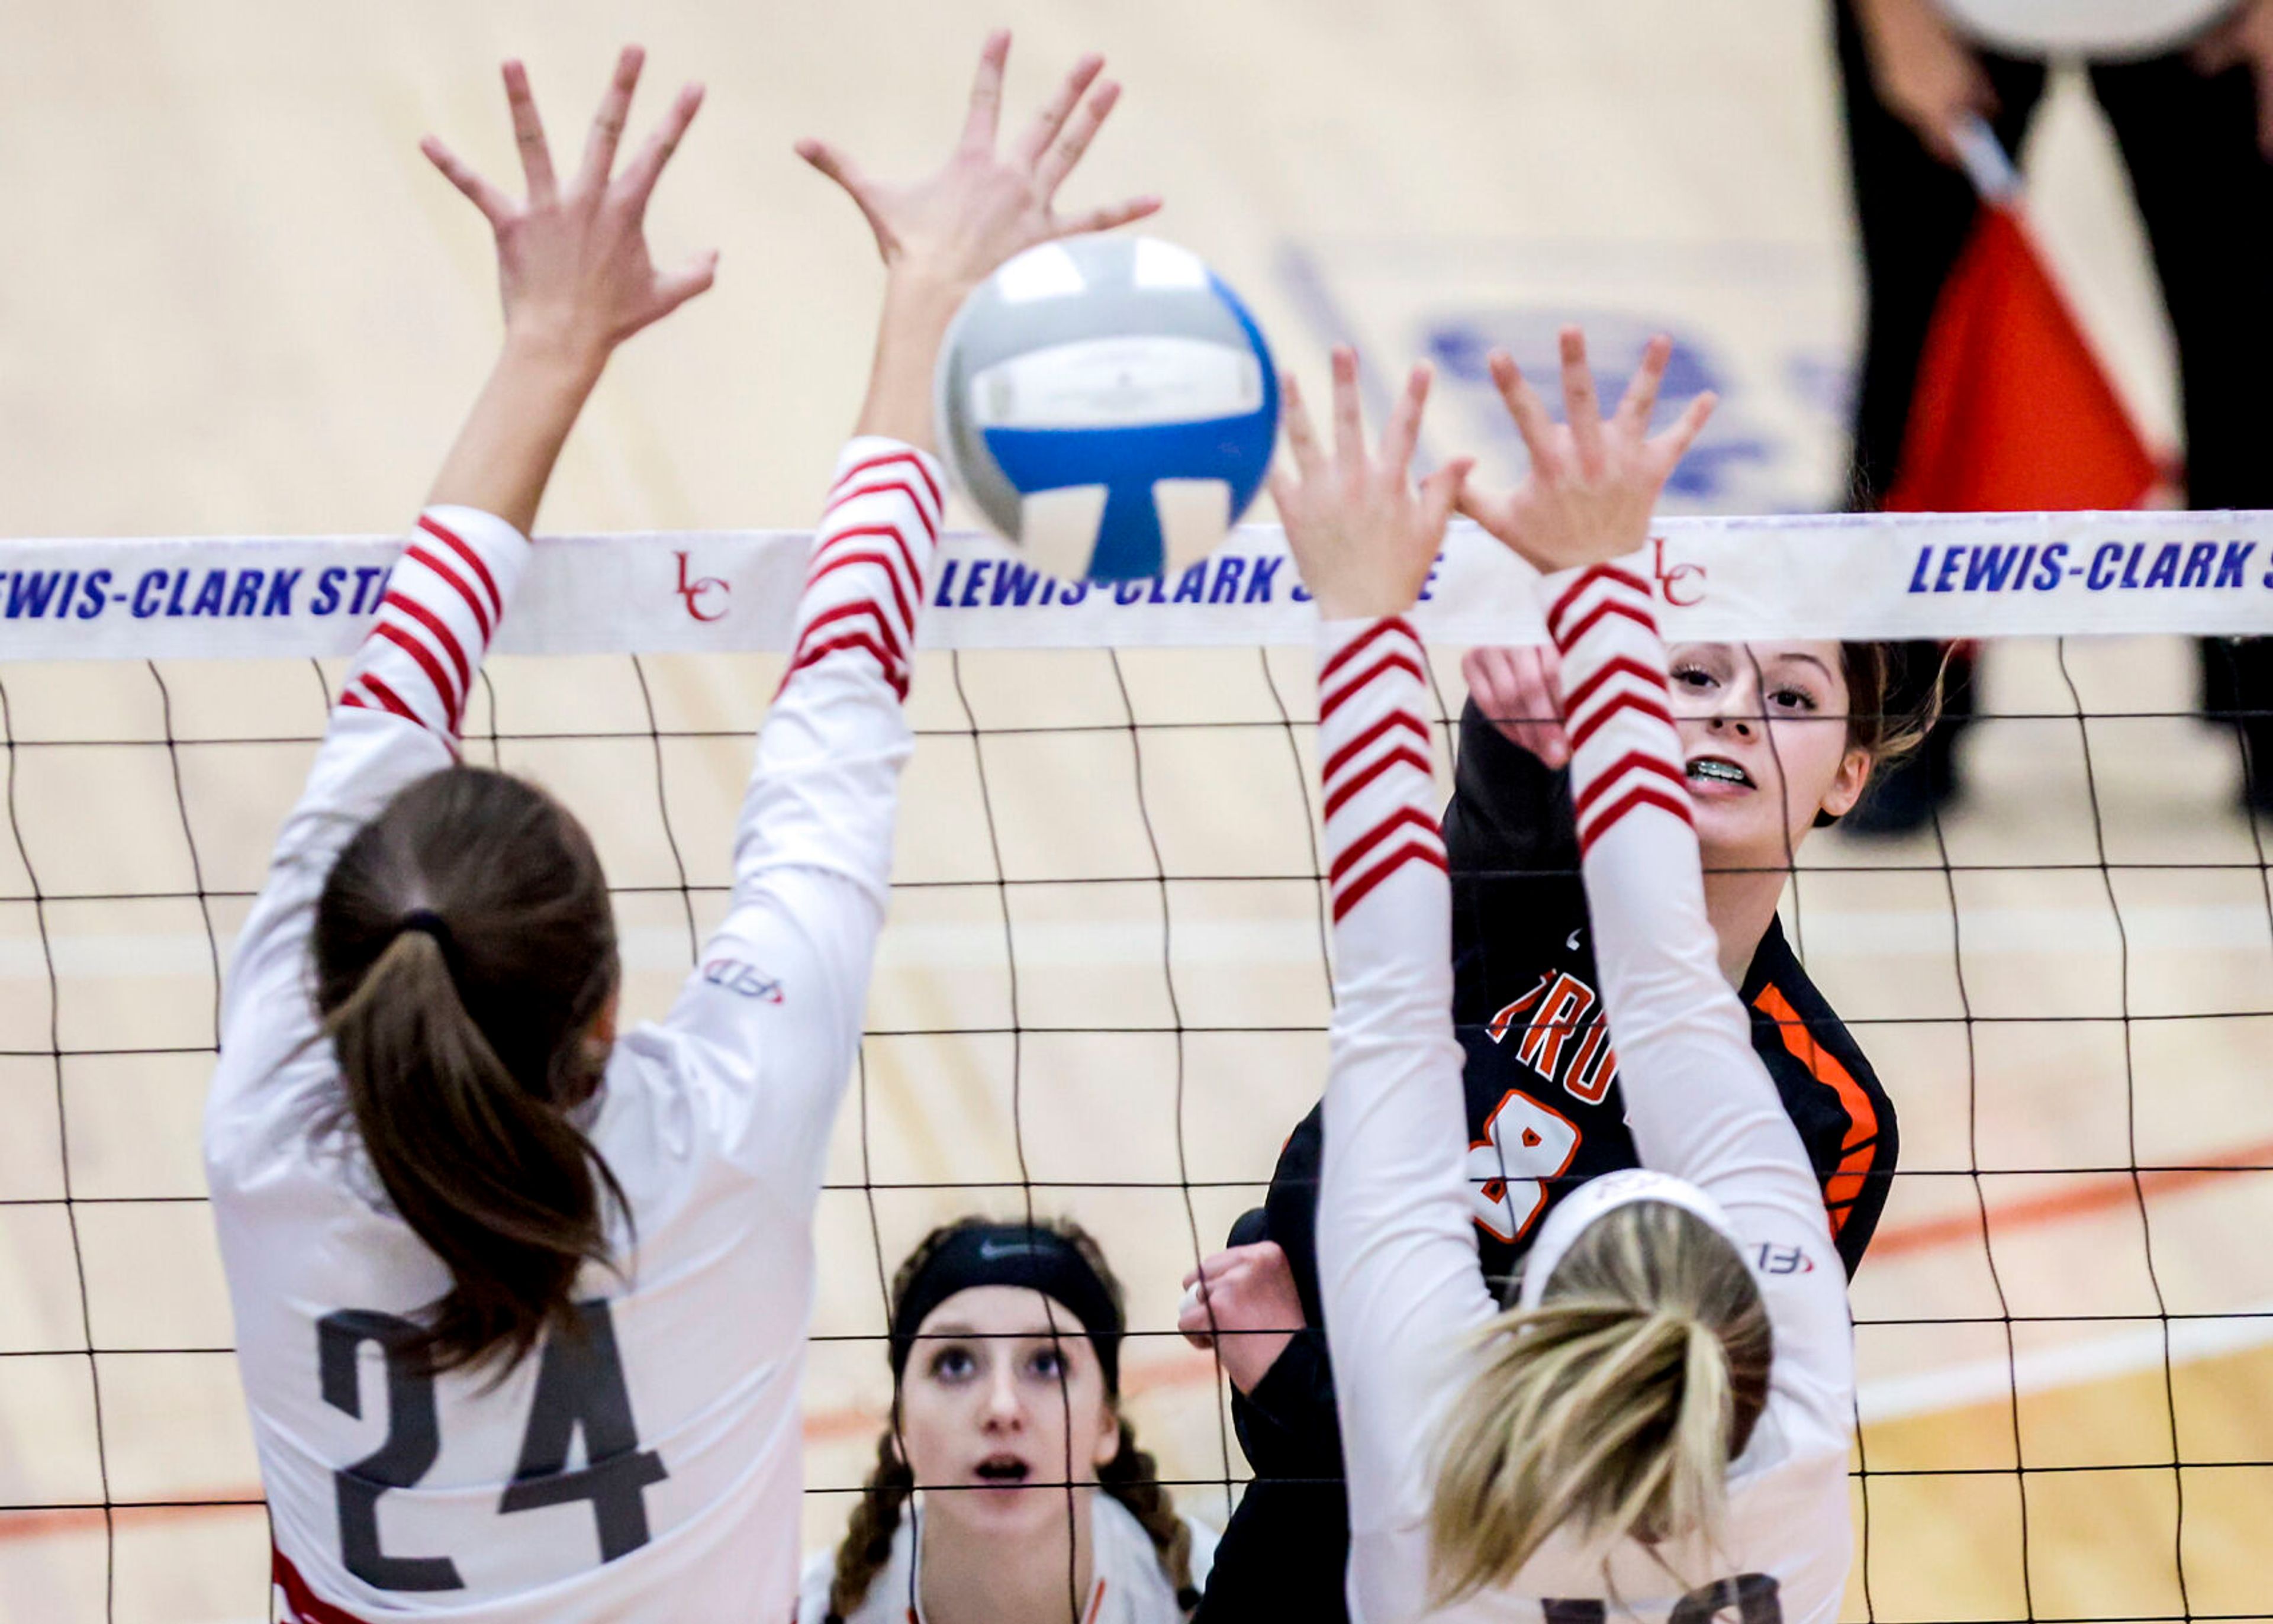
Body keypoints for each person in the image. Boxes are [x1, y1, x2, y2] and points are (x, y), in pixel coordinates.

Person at [204, 35, 1154, 1623]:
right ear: (602, 1009)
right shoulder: (710, 1138)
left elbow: (393, 711)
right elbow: (837, 708)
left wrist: (548, 344)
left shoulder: (268, 1130)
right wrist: (926, 299)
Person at [1186, 343, 1911, 1622]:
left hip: (1450, 1529)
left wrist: (1298, 1383)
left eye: (1791, 695)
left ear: (1852, 773)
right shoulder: (1527, 896)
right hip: (1309, 1537)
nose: (1734, 713)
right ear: (1631, 701)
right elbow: (1321, 1185)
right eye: (1691, 676)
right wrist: (1515, 749)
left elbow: (1682, 1444)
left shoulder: (1831, 1114)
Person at [1837, 0, 2273, 826]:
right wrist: (1896, 23)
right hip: (1951, 17)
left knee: (2252, 356)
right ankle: (1897, 726)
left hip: (2211, 24)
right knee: (1921, 357)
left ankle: (2268, 709)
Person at [801, 1218, 1217, 1624]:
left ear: (1106, 1424)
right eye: (955, 1364)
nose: (1002, 1408)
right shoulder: (811, 1610)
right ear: (901, 1427)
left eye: (1047, 1363)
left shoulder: (1218, 1590)